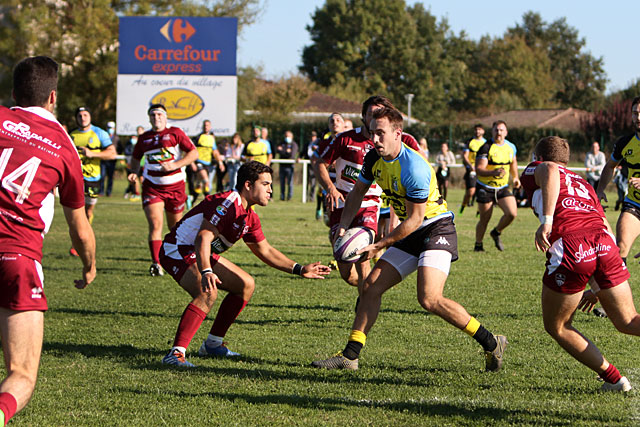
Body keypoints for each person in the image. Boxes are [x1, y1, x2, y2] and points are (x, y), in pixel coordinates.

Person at [311, 107, 506, 372]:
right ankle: (350, 356)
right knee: (370, 287)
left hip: (436, 229)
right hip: (411, 230)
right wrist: (343, 227)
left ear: (397, 134)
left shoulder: (414, 167)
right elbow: (357, 193)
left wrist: (380, 244)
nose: (374, 139)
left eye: (380, 133)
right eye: (372, 133)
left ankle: (491, 341)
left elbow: (415, 219)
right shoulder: (373, 158)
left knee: (429, 298)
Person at [0, 55, 96, 424]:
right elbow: (80, 226)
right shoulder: (64, 146)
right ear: (53, 97)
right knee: (21, 374)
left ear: (12, 93)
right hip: (17, 257)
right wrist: (89, 266)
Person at [159, 161, 331, 367]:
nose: (271, 190)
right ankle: (175, 354)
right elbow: (203, 238)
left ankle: (213, 345)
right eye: (265, 184)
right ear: (248, 185)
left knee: (246, 285)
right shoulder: (228, 204)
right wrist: (206, 271)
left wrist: (300, 269)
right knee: (208, 292)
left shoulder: (249, 215)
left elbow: (264, 250)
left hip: (197, 252)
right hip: (177, 250)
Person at [520, 135, 639, 392]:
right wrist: (598, 284)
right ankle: (614, 381)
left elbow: (550, 169)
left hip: (573, 245)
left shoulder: (539, 168)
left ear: (536, 158)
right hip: (605, 245)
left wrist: (548, 221)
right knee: (628, 321)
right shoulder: (583, 183)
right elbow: (603, 223)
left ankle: (614, 378)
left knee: (558, 325)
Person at [312, 96, 420, 300]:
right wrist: (330, 189)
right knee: (345, 265)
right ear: (364, 116)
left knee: (362, 258)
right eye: (371, 113)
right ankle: (368, 288)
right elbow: (319, 163)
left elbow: (418, 161)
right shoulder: (345, 139)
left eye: (380, 113)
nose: (375, 117)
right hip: (342, 204)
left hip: (370, 205)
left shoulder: (396, 139)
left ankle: (364, 303)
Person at [127, 104, 199, 276]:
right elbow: (136, 158)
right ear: (149, 118)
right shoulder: (144, 138)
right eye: (153, 115)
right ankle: (156, 264)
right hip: (152, 187)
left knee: (175, 228)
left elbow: (193, 153)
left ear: (165, 117)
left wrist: (175, 165)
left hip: (176, 187)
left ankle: (179, 259)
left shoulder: (175, 132)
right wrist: (133, 172)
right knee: (155, 225)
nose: (156, 117)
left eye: (159, 114)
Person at [596, 97, 640, 265]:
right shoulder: (624, 143)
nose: (638, 118)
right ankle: (614, 289)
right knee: (620, 247)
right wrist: (600, 190)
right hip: (635, 204)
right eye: (635, 113)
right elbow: (610, 166)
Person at [474, 120, 520, 252]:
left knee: (512, 213)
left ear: (506, 132)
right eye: (496, 130)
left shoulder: (511, 147)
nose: (498, 132)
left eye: (501, 130)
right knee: (485, 218)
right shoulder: (486, 147)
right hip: (485, 187)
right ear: (492, 131)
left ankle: (496, 232)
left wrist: (515, 177)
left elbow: (513, 163)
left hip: (502, 187)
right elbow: (479, 169)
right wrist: (493, 173)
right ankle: (478, 245)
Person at [69, 106, 116, 226]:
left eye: (85, 115)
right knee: (76, 212)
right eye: (79, 116)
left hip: (93, 178)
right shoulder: (72, 135)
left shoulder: (100, 133)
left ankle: (86, 235)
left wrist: (92, 154)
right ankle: (77, 241)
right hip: (75, 178)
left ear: (90, 117)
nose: (82, 118)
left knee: (88, 212)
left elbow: (112, 154)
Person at [190, 120, 224, 204]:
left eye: (208, 125)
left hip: (207, 164)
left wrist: (220, 162)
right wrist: (192, 163)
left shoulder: (211, 138)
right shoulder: (198, 137)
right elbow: (190, 150)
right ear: (202, 126)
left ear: (210, 127)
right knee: (206, 181)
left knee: (199, 184)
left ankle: (192, 199)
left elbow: (215, 151)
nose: (206, 127)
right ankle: (209, 202)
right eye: (205, 125)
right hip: (199, 162)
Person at [460, 124, 486, 214]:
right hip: (471, 170)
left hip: (482, 170)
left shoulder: (486, 143)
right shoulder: (469, 142)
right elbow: (465, 156)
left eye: (479, 130)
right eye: (476, 130)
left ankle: (480, 212)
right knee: (471, 192)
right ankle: (462, 206)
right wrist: (470, 166)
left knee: (481, 191)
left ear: (483, 131)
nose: (477, 131)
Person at [276, 130, 299, 201]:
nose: (287, 137)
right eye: (286, 136)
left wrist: (283, 151)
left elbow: (292, 155)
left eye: (288, 136)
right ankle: (282, 196)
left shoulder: (294, 144)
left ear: (292, 137)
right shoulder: (282, 143)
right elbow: (278, 150)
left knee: (290, 182)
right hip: (282, 166)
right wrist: (286, 152)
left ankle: (289, 197)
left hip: (290, 166)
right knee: (282, 182)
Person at [124, 126, 144, 201]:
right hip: (136, 163)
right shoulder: (135, 141)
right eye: (138, 130)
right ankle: (137, 194)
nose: (139, 132)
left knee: (142, 179)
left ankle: (144, 193)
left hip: (143, 163)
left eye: (140, 130)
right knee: (135, 178)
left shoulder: (145, 140)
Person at [100, 121, 119, 197]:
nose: (110, 129)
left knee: (110, 177)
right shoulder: (103, 136)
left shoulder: (117, 138)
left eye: (111, 128)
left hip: (112, 160)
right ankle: (101, 191)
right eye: (109, 128)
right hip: (103, 159)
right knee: (102, 176)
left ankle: (109, 192)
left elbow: (119, 148)